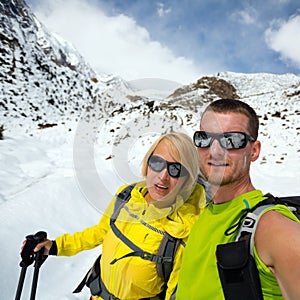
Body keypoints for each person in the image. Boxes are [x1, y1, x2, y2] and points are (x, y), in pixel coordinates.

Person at [22, 132, 206, 300]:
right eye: (157, 163)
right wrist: (55, 247)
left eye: (176, 170)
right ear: (147, 163)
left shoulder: (184, 230)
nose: (163, 176)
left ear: (187, 179)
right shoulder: (127, 196)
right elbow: (101, 231)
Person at [176, 99, 300, 299]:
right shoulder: (206, 212)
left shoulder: (270, 226)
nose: (215, 151)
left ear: (254, 151)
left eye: (231, 140)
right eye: (204, 138)